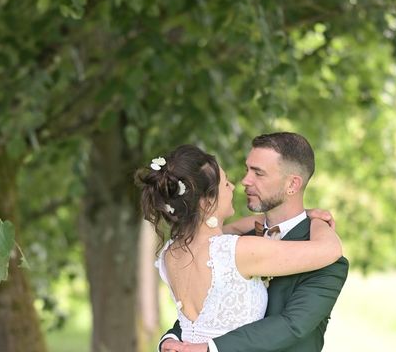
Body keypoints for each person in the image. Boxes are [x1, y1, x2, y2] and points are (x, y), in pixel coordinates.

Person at [138, 133, 348, 352]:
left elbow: (292, 326)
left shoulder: (328, 263)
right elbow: (201, 314)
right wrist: (173, 338)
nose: (244, 181)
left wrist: (207, 347)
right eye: (247, 170)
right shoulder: (233, 243)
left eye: (258, 173)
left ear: (292, 184)